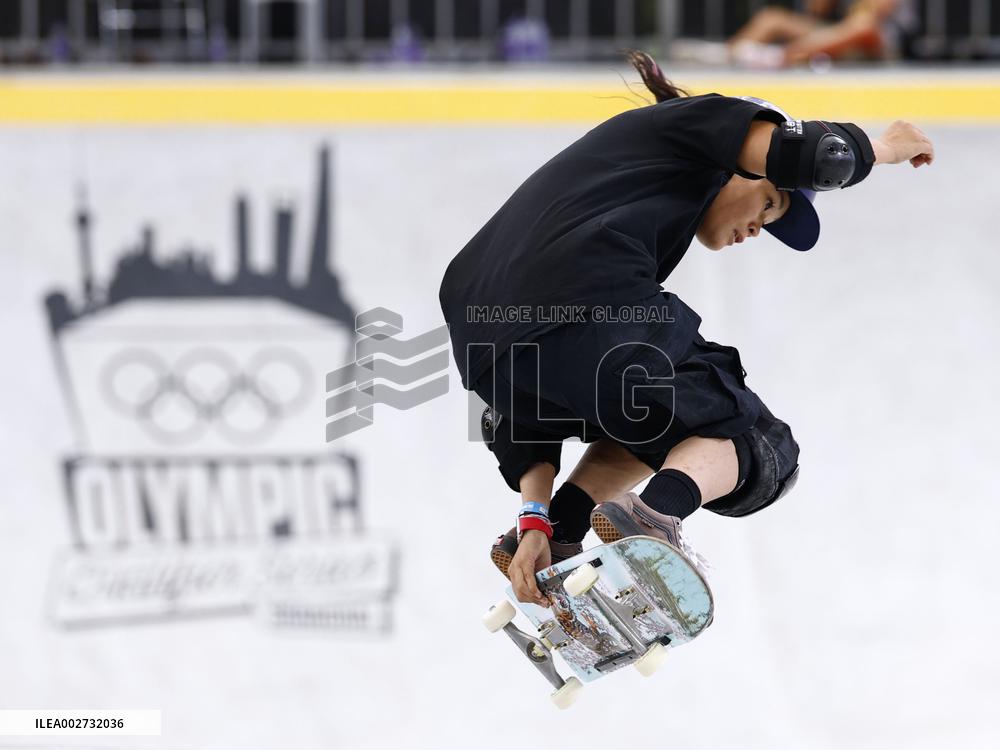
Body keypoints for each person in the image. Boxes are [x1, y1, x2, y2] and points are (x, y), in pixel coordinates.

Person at [438, 50, 933, 608]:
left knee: (660, 425)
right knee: (761, 445)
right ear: (742, 165)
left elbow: (521, 419)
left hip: (487, 343)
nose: (759, 226)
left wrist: (535, 521)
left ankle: (562, 530)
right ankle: (653, 519)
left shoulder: (618, 178)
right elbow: (817, 154)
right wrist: (888, 148)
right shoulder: (700, 127)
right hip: (590, 299)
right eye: (769, 202)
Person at [727, 0, 916, 68]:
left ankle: (779, 57)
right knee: (771, 18)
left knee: (861, 25)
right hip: (838, 34)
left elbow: (873, 14)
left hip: (881, 43)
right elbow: (815, 11)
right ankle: (729, 54)